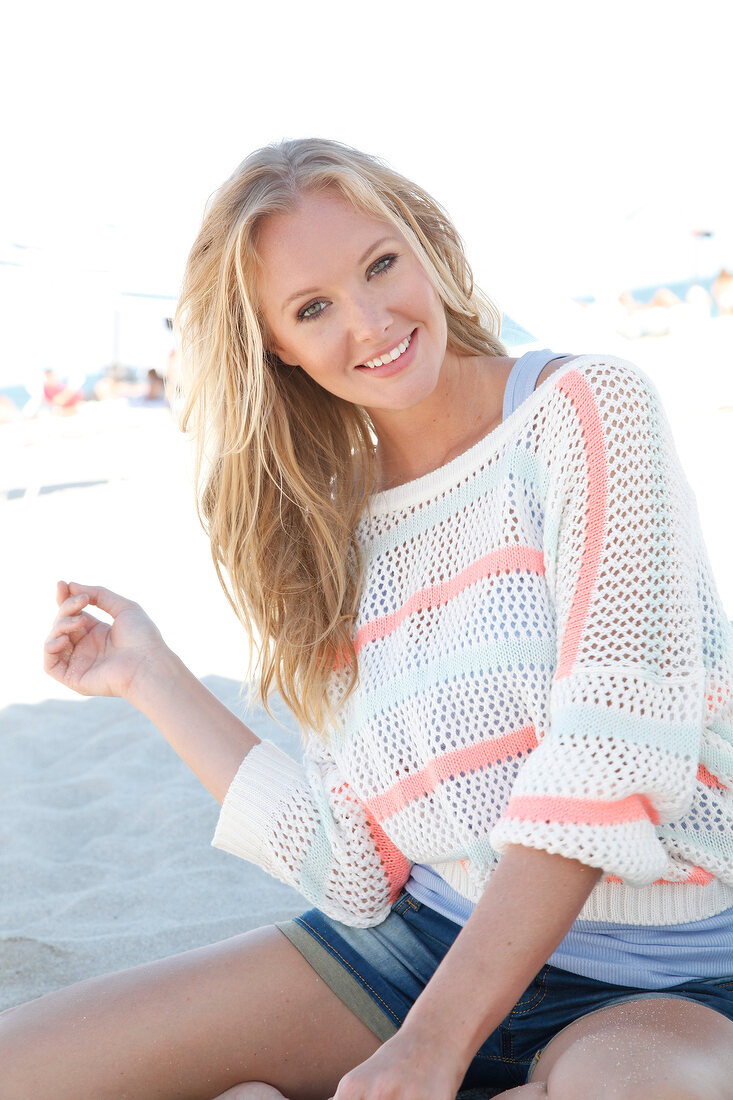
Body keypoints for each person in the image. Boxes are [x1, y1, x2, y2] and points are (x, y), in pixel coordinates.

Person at [3, 139, 733, 1100]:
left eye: (380, 265)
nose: (371, 320)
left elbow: (607, 753)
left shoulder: (584, 412)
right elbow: (354, 869)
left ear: (425, 245)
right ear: (277, 346)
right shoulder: (327, 532)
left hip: (654, 968)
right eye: (313, 308)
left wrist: (428, 1048)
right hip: (418, 946)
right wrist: (148, 675)